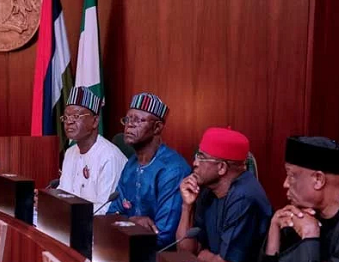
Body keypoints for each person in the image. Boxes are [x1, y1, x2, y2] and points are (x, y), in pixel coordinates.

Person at [107, 92, 190, 249]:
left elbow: (163, 236)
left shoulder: (173, 169)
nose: (129, 125)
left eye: (138, 120)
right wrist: (132, 222)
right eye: (128, 119)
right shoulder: (131, 164)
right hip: (126, 249)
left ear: (157, 127)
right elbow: (111, 216)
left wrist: (125, 225)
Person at [176, 127, 272, 262]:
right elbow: (185, 253)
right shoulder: (207, 190)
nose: (195, 163)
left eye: (201, 158)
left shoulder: (243, 196)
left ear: (221, 167)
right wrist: (187, 206)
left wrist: (203, 255)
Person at [260, 136, 339, 262]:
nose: (285, 184)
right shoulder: (298, 216)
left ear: (318, 180)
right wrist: (274, 229)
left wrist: (309, 237)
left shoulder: (307, 224)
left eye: (291, 176)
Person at [57, 86, 127, 214]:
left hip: (98, 228)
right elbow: (63, 193)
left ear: (95, 121)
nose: (69, 122)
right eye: (66, 117)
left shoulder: (109, 157)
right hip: (69, 223)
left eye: (76, 116)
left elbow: (105, 208)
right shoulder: (70, 152)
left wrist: (69, 212)